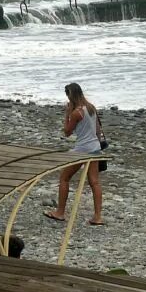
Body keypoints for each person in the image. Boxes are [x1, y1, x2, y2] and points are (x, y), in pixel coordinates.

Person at [46, 82, 104, 226]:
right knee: (94, 182)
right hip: (94, 147)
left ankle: (60, 212)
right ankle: (98, 216)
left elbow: (67, 132)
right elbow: (97, 130)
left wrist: (67, 115)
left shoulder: (76, 112)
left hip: (82, 149)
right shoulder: (91, 108)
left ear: (70, 95)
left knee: (64, 178)